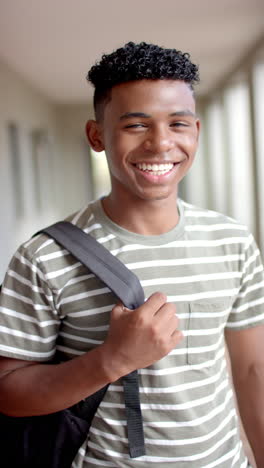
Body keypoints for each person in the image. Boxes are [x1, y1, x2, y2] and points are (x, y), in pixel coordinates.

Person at [0, 41, 263, 468]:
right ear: (96, 135)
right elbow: (9, 393)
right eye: (136, 125)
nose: (161, 143)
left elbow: (253, 370)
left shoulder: (232, 240)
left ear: (196, 131)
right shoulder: (43, 256)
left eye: (178, 123)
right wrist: (112, 359)